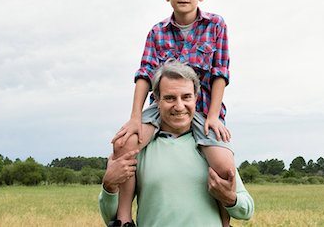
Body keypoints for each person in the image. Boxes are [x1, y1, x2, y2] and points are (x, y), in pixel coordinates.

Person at [111, 0, 235, 226]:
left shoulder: (216, 25)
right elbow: (144, 74)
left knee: (224, 166)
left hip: (201, 108)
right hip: (163, 107)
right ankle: (123, 217)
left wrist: (213, 116)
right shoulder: (157, 32)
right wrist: (135, 118)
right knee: (123, 145)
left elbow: (220, 74)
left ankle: (224, 221)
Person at [100, 60, 254, 226]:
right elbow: (113, 217)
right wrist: (109, 186)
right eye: (170, 98)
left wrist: (230, 199)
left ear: (196, 97)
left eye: (186, 97)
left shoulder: (212, 146)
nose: (179, 106)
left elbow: (247, 210)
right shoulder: (140, 148)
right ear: (157, 100)